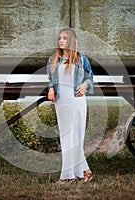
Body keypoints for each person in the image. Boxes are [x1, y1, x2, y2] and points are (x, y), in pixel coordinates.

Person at [47, 28, 94, 184]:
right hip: (62, 102)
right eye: (60, 38)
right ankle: (84, 171)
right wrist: (51, 89)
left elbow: (90, 76)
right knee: (67, 137)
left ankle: (67, 176)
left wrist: (85, 86)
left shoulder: (81, 59)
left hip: (77, 101)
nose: (61, 41)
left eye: (65, 38)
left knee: (76, 138)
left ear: (71, 41)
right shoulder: (54, 59)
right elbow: (51, 79)